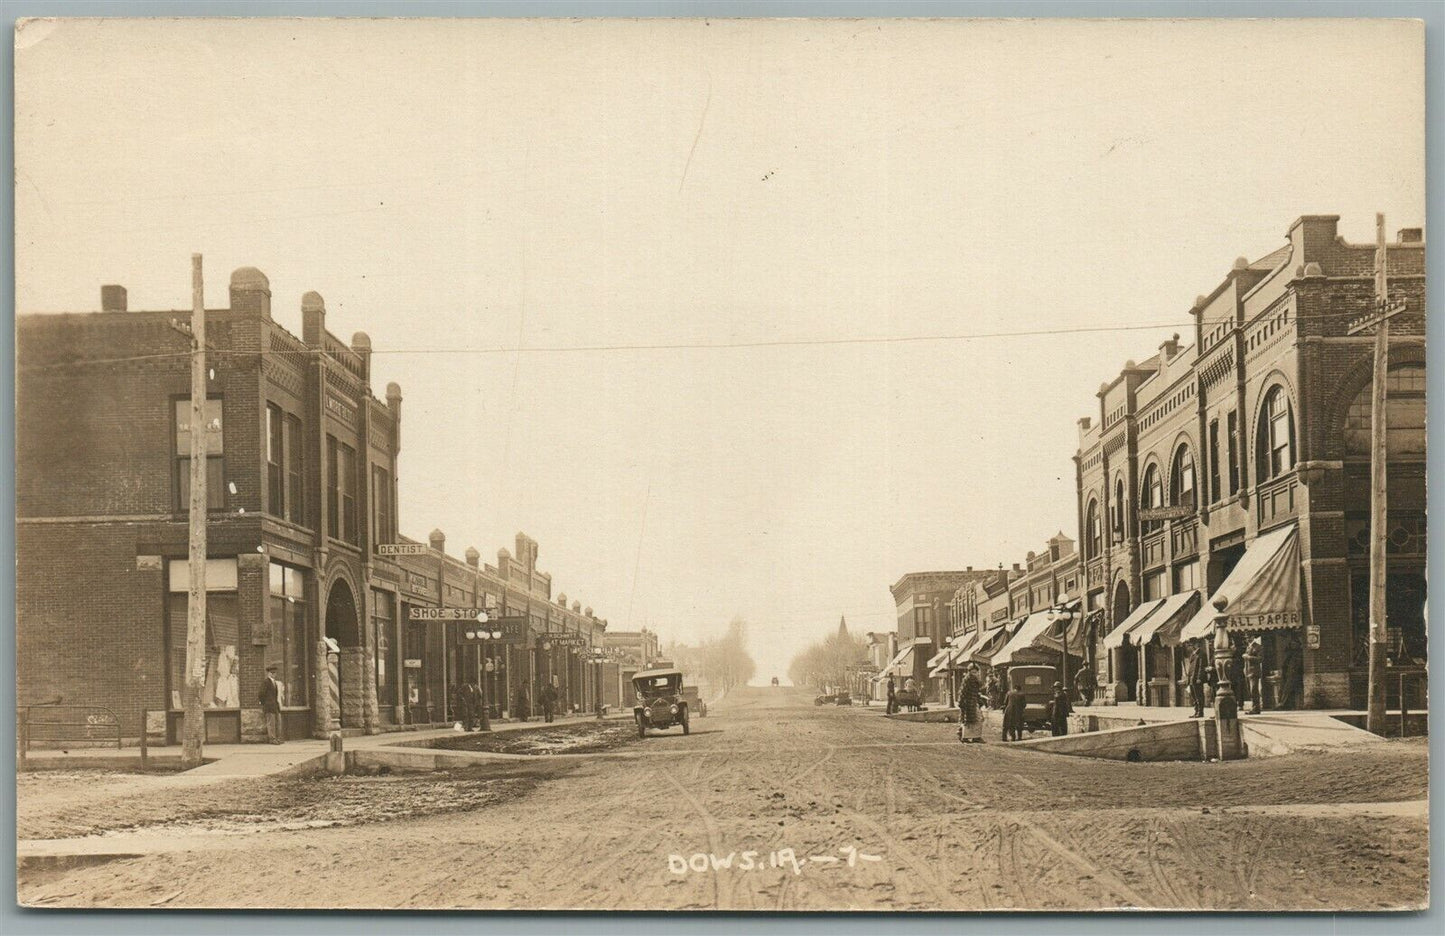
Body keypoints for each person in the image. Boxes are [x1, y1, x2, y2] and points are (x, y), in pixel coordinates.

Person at [957, 665, 984, 744]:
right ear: (969, 672)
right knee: (970, 720)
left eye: (975, 672)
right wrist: (961, 702)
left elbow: (978, 689)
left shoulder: (975, 680)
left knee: (975, 719)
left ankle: (971, 736)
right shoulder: (967, 679)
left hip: (973, 702)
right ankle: (967, 736)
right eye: (973, 672)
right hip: (968, 703)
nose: (974, 674)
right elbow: (962, 692)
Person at [258, 664, 284, 744]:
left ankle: (278, 738)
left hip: (275, 706)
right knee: (271, 723)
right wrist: (264, 703)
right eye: (272, 673)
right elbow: (261, 694)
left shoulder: (274, 683)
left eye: (274, 673)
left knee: (277, 722)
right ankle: (272, 739)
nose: (274, 674)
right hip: (269, 706)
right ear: (268, 673)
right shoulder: (266, 682)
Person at [1279, 633, 1303, 710]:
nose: (1292, 645)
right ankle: (1287, 705)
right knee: (1286, 689)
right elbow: (1285, 664)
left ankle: (1283, 704)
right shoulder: (1291, 653)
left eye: (1294, 644)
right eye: (1292, 644)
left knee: (1288, 689)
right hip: (1288, 674)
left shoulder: (1298, 654)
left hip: (1294, 674)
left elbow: (1297, 665)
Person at [1185, 641, 1208, 718]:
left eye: (1192, 644)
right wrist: (1188, 679)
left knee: (1199, 695)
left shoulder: (1201, 654)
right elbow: (1190, 668)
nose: (1191, 646)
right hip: (1191, 678)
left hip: (1196, 678)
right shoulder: (1193, 654)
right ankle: (1196, 711)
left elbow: (1201, 667)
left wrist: (1199, 678)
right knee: (1193, 695)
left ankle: (1200, 712)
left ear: (1197, 644)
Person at [1243, 636, 1264, 715]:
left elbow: (1260, 659)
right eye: (1246, 637)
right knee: (1250, 691)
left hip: (1254, 671)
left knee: (1254, 690)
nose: (1247, 639)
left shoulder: (1258, 647)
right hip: (1248, 672)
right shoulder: (1248, 647)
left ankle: (1256, 708)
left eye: (1249, 637)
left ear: (1253, 637)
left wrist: (1248, 657)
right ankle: (1254, 707)